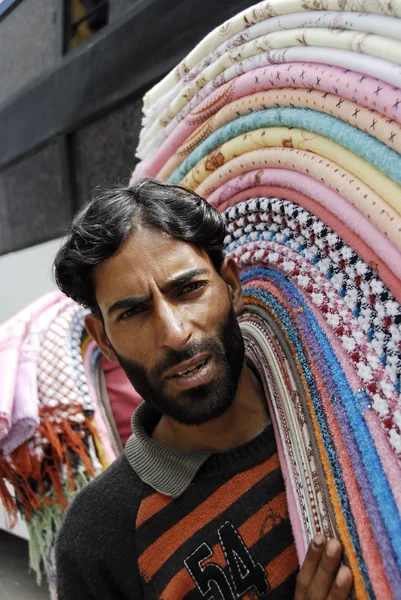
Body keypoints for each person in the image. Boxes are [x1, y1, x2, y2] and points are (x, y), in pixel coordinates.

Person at [54, 178, 353, 599]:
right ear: (103, 340)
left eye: (189, 289)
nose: (175, 334)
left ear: (231, 286)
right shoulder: (99, 536)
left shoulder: (343, 413)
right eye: (135, 312)